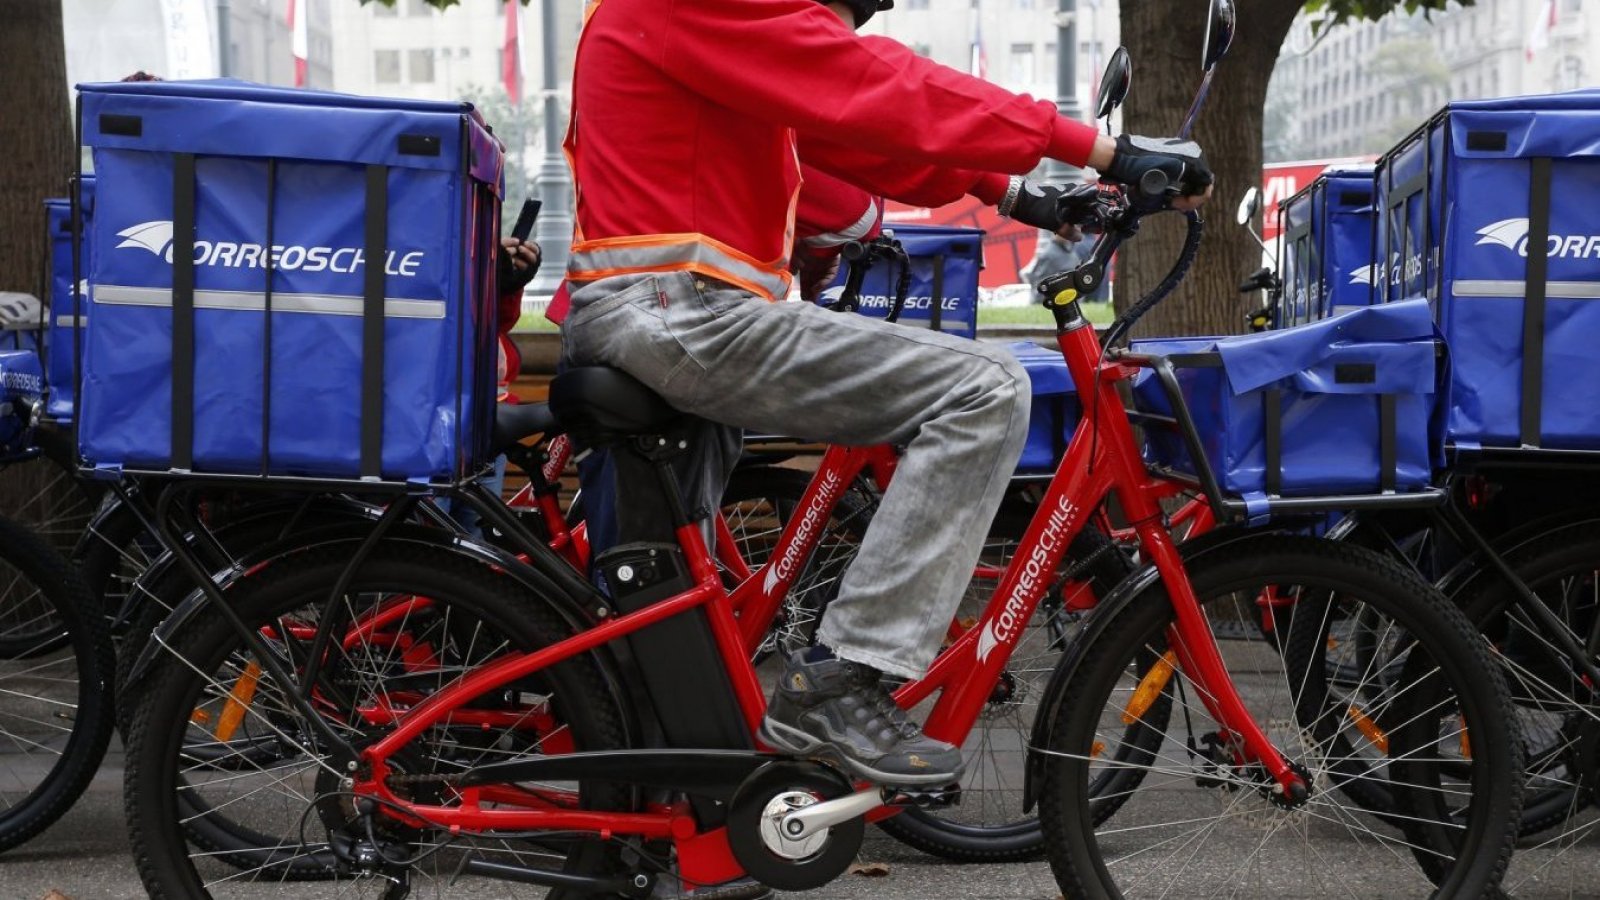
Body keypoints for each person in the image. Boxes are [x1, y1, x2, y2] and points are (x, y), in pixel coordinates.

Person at [560, 0, 1211, 790]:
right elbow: (875, 88)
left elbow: (847, 132)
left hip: (679, 314)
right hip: (682, 311)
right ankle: (845, 678)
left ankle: (661, 821)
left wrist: (1020, 196)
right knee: (984, 388)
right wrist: (1101, 148)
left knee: (670, 612)